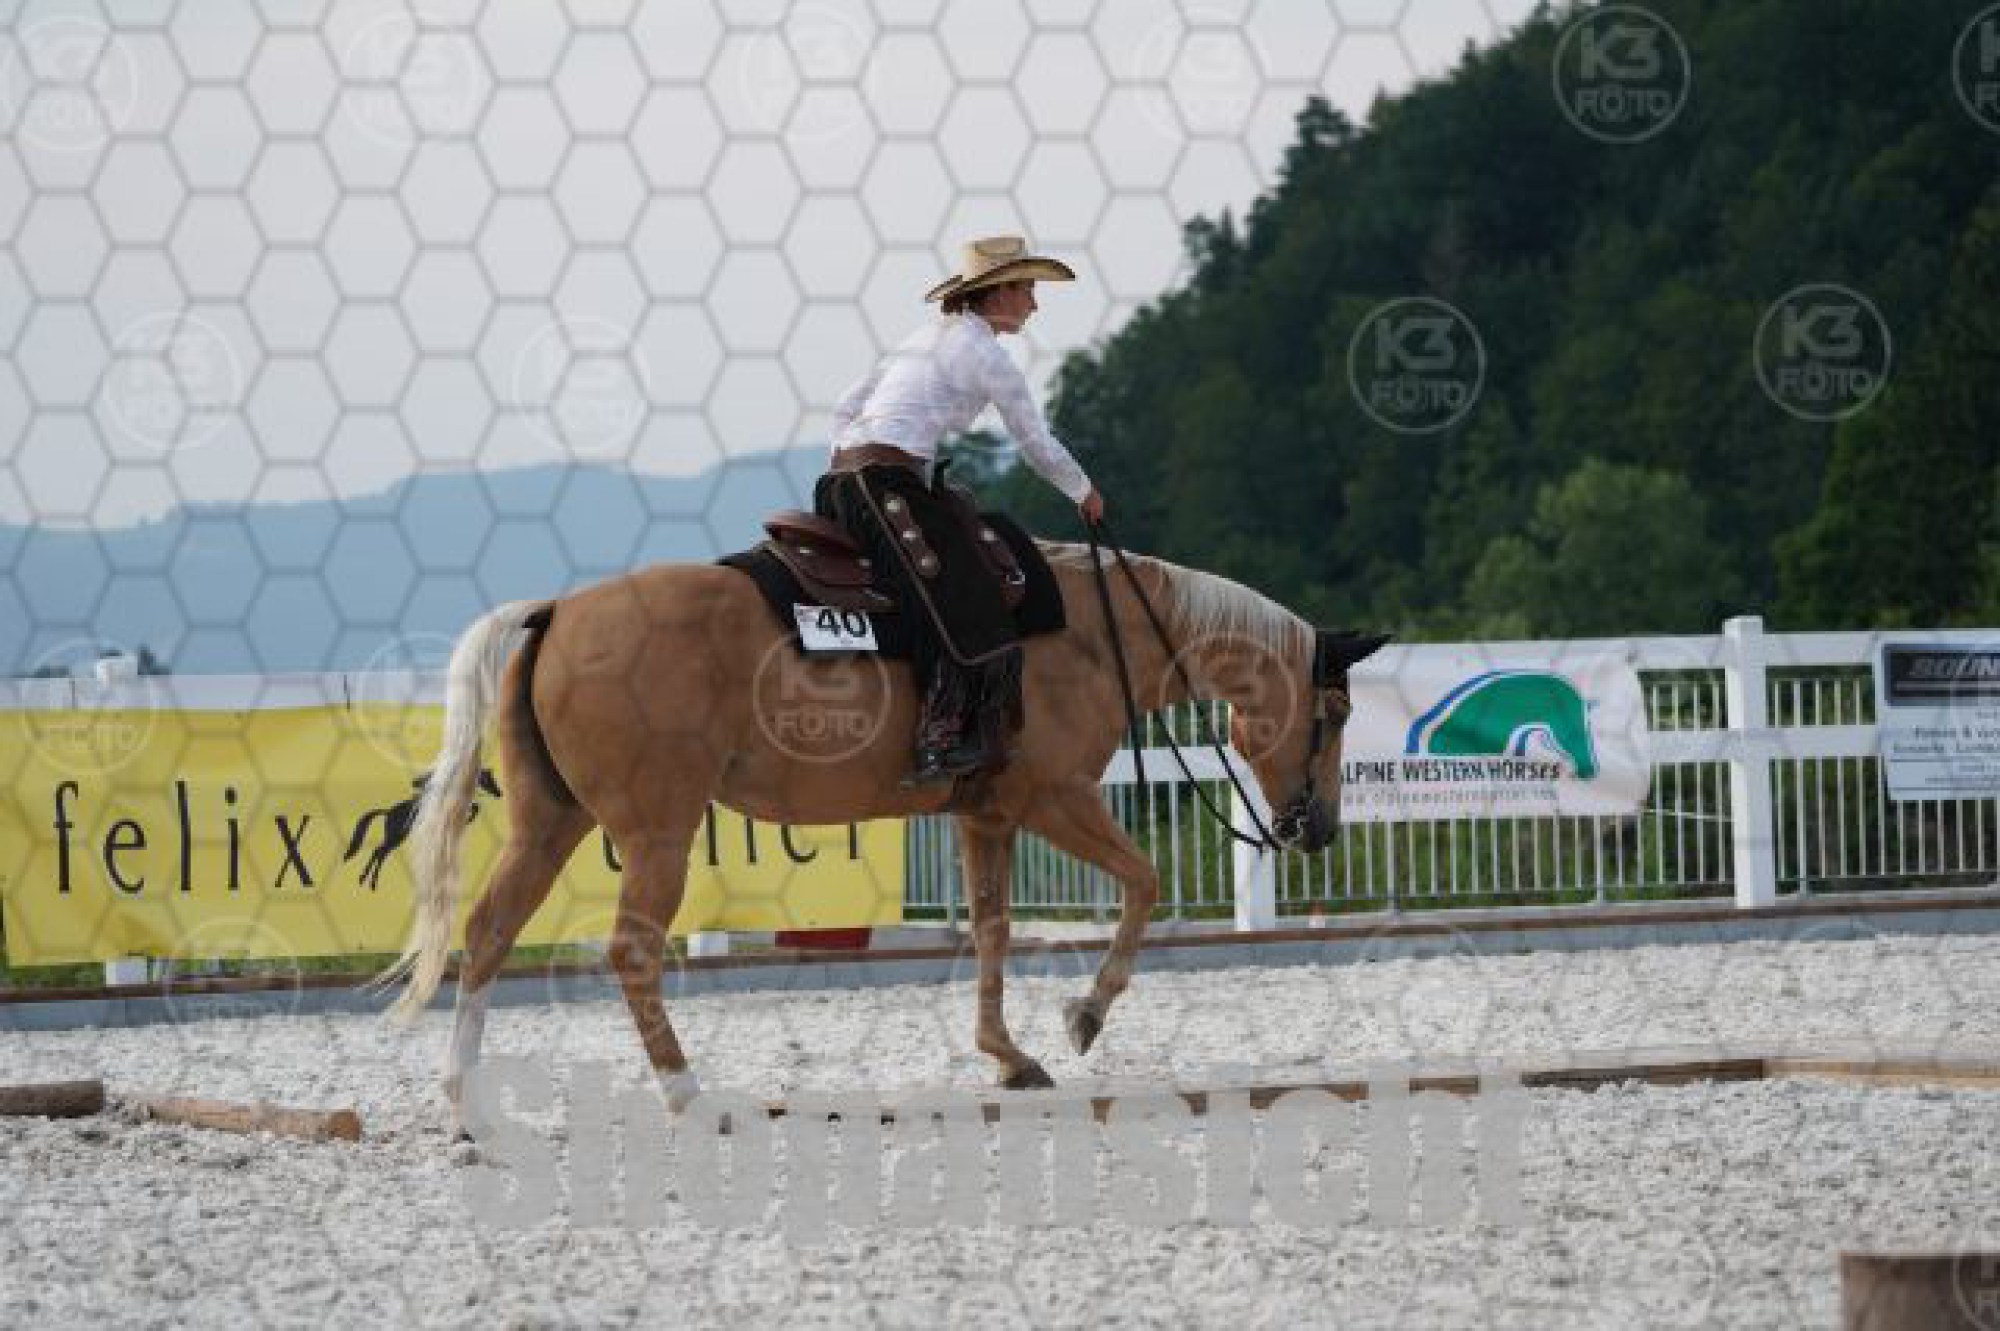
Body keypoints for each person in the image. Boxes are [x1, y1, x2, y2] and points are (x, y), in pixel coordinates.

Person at [815, 235, 1106, 786]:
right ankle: (942, 733)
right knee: (964, 594)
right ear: (998, 293)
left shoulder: (921, 338)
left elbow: (845, 406)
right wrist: (1084, 492)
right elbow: (1034, 441)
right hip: (887, 485)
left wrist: (849, 459)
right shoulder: (986, 355)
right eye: (1027, 289)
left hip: (843, 484)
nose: (1034, 304)